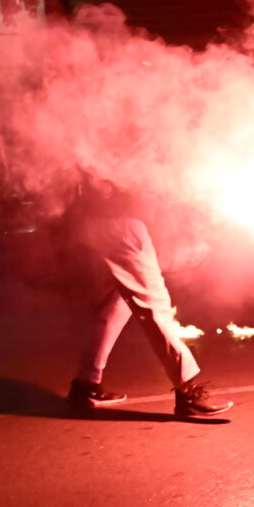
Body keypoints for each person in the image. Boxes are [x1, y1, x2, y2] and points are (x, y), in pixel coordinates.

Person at [66, 175, 233, 418]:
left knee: (116, 304)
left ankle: (85, 384)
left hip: (99, 220)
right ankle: (188, 390)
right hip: (121, 223)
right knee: (153, 304)